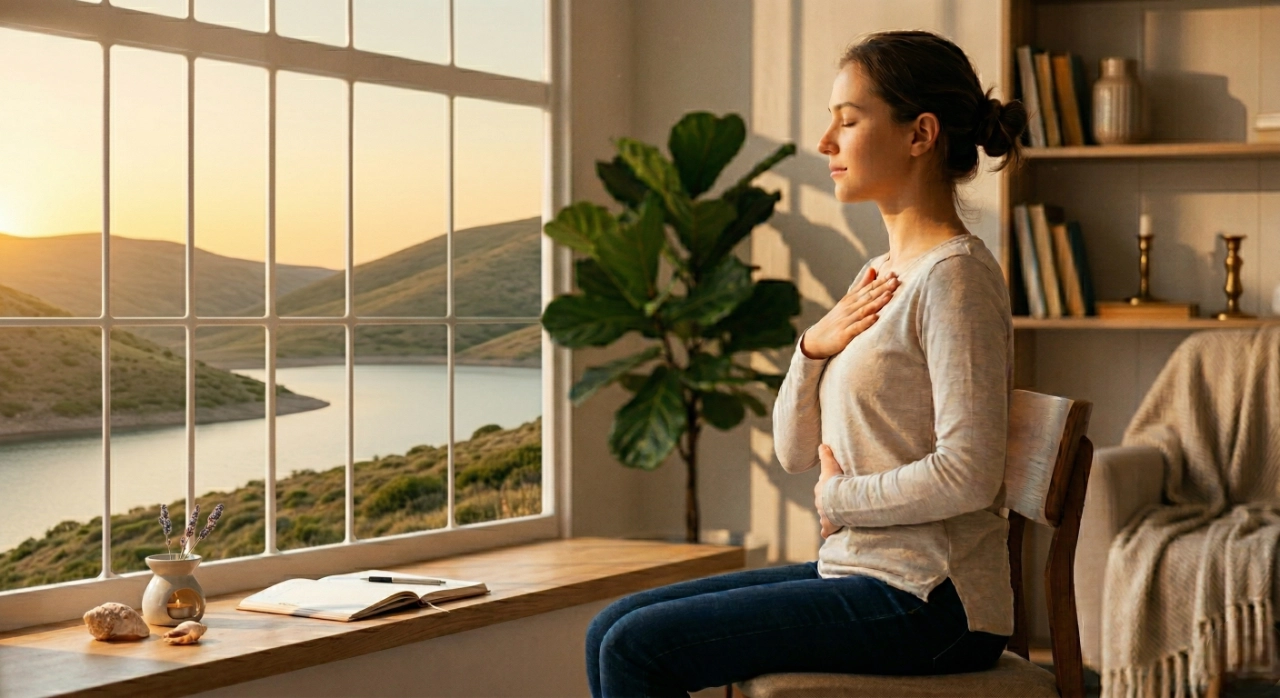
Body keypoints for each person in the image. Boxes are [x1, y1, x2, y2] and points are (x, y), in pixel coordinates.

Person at [584, 30, 1028, 698]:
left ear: (920, 134)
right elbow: (797, 450)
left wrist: (839, 499)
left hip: (937, 600)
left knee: (637, 648)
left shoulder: (955, 278)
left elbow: (968, 474)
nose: (826, 144)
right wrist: (812, 350)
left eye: (848, 122)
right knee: (610, 626)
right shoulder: (881, 274)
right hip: (866, 569)